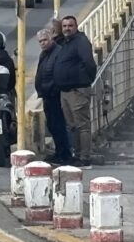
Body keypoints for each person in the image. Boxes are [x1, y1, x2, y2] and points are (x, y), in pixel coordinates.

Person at [53, 15, 97, 168]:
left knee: (82, 125)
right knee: (72, 125)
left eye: (70, 25)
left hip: (77, 90)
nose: (67, 28)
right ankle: (76, 154)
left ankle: (85, 157)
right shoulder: (66, 42)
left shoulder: (81, 41)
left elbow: (89, 63)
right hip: (65, 91)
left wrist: (86, 80)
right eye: (64, 26)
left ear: (76, 26)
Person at [35, 28, 72, 165]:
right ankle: (59, 152)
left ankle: (64, 153)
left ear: (51, 39)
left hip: (54, 95)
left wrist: (53, 90)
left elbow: (59, 74)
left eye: (45, 40)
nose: (43, 43)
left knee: (59, 126)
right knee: (53, 126)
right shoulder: (44, 54)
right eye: (40, 41)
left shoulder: (58, 52)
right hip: (47, 95)